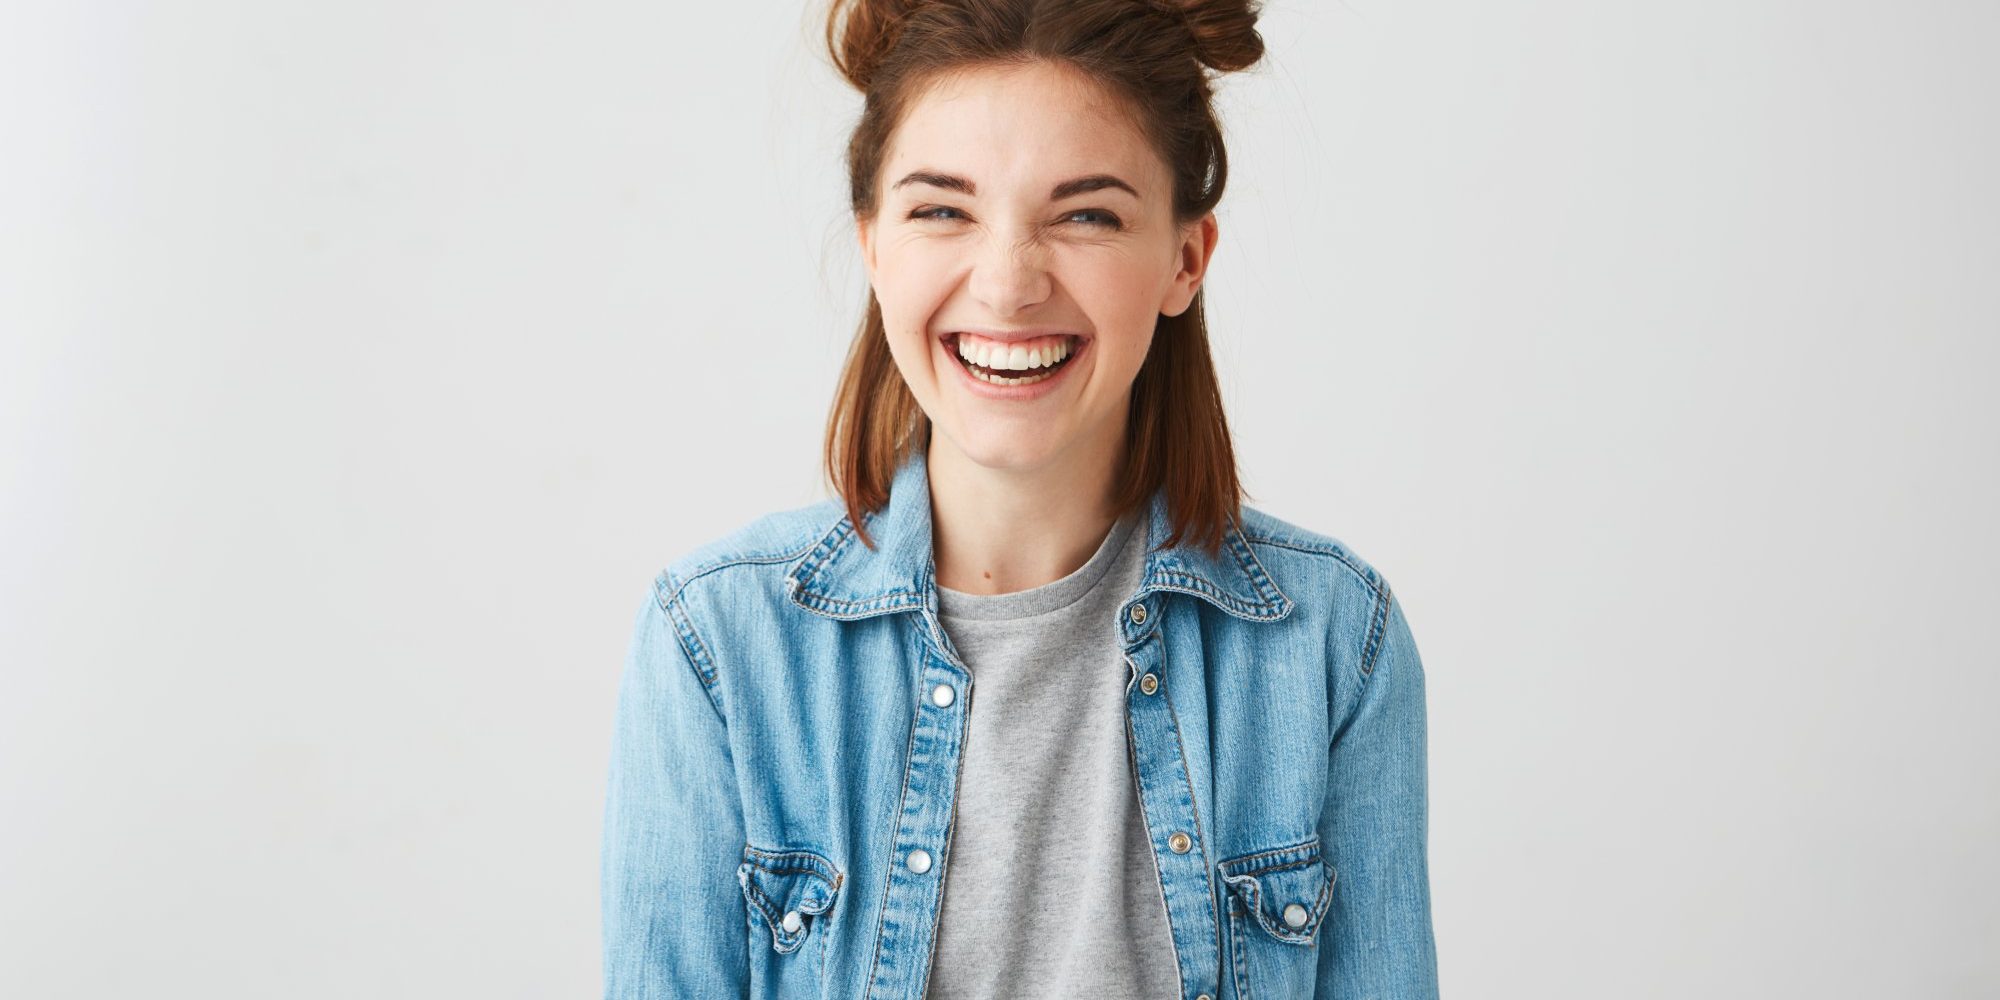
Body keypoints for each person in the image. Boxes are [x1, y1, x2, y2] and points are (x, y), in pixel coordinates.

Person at [601, 0, 1439, 996]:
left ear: (1184, 257)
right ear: (873, 244)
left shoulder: (1335, 645)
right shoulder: (717, 646)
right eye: (940, 209)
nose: (1006, 285)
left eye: (1085, 213)